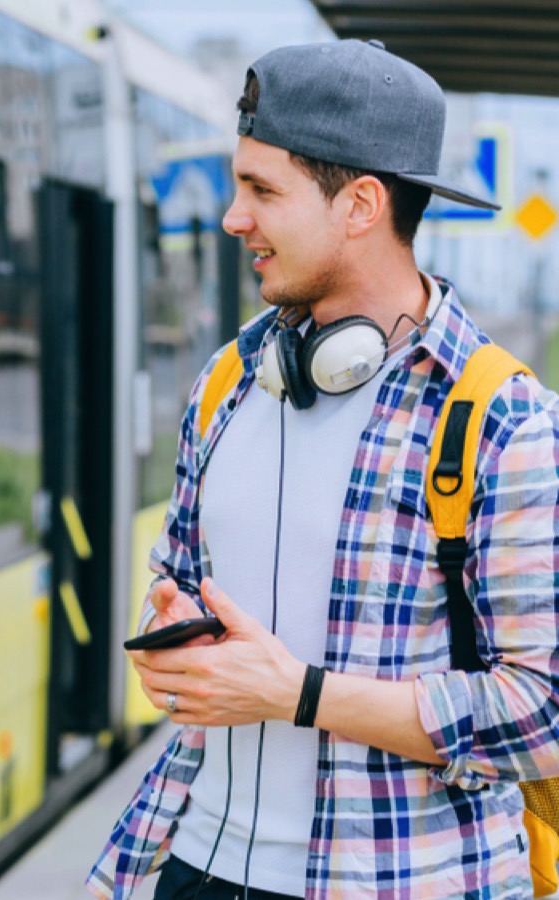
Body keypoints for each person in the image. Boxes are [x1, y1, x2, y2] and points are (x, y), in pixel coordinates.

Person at [87, 40, 559, 899]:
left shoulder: (501, 415)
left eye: (262, 191)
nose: (234, 217)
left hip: (398, 883)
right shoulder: (230, 379)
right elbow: (178, 579)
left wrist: (298, 692)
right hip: (192, 867)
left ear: (361, 205)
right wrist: (178, 629)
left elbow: (542, 715)